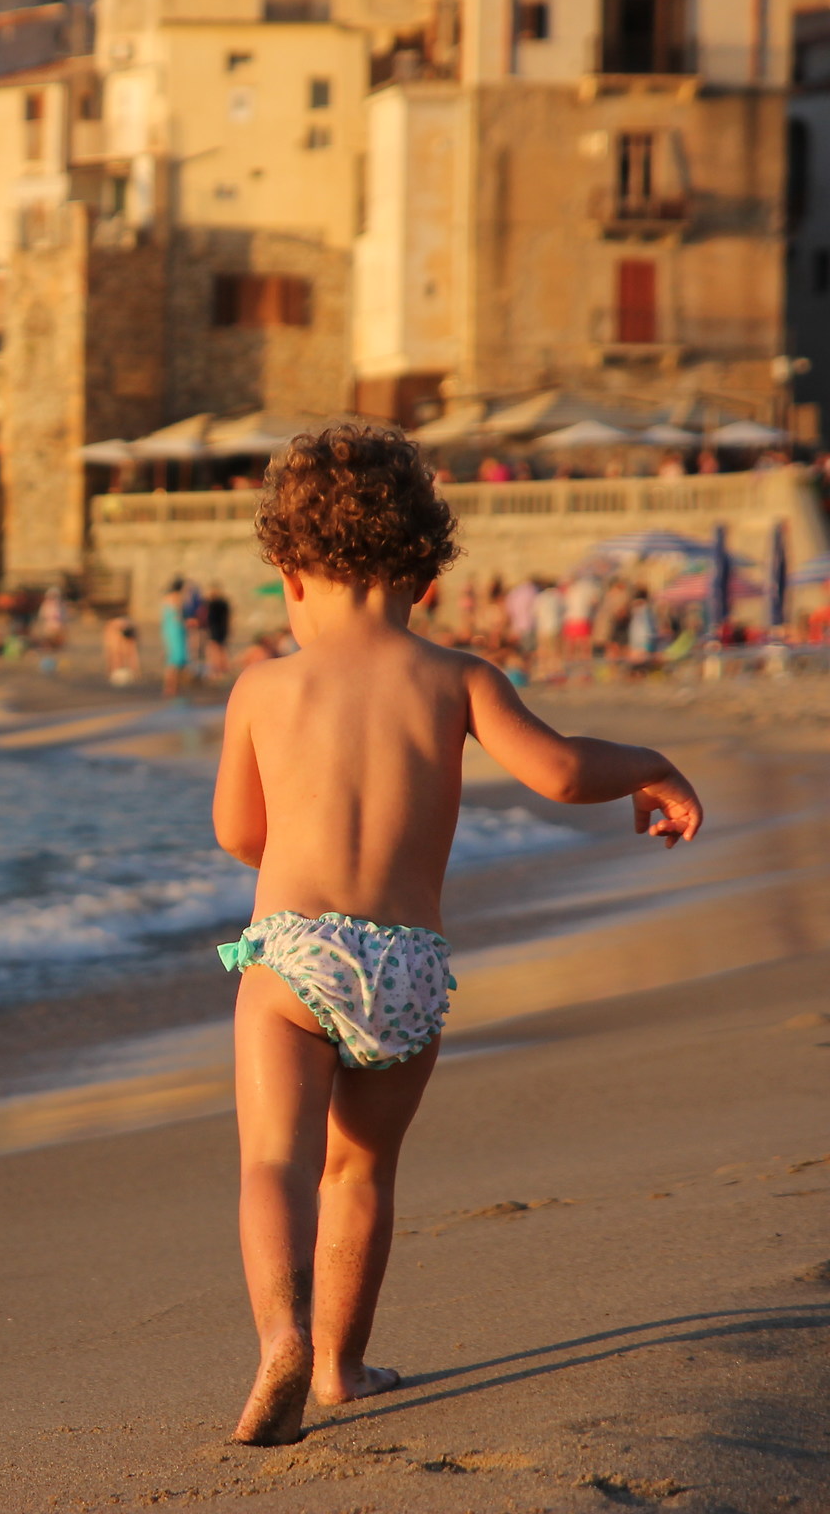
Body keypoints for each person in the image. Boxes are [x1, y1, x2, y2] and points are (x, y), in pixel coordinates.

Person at [211, 424, 702, 1447]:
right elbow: (564, 772)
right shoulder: (458, 678)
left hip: (297, 954)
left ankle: (279, 1340)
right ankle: (342, 1364)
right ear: (424, 578)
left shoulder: (263, 686)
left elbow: (238, 833)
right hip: (408, 969)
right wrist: (651, 761)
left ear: (289, 573)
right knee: (361, 1171)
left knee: (275, 1163)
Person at [159, 579, 191, 697]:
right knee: (176, 660)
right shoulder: (177, 597)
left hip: (167, 629)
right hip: (176, 629)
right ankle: (173, 687)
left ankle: (169, 687)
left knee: (171, 658)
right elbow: (180, 614)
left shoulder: (166, 597)